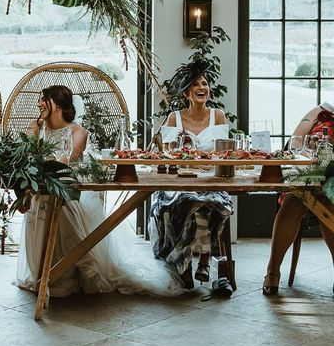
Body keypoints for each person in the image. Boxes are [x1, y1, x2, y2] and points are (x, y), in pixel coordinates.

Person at [16, 86, 182, 297]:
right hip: (40, 190)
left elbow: (66, 162)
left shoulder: (78, 132)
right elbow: (27, 156)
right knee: (42, 202)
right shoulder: (34, 127)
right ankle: (42, 272)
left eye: (43, 100)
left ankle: (70, 270)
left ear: (56, 104)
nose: (39, 104)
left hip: (68, 189)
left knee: (65, 210)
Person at [148, 61, 233, 289]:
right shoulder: (175, 119)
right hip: (180, 181)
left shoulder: (219, 116)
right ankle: (183, 264)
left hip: (211, 180)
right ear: (187, 93)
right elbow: (164, 154)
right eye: (196, 84)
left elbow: (226, 154)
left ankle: (203, 262)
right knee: (182, 203)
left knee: (207, 202)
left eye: (205, 83)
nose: (202, 87)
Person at [262, 103, 334, 296]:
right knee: (295, 197)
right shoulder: (322, 110)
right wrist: (310, 144)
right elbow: (294, 143)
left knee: (327, 202)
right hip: (309, 173)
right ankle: (272, 271)